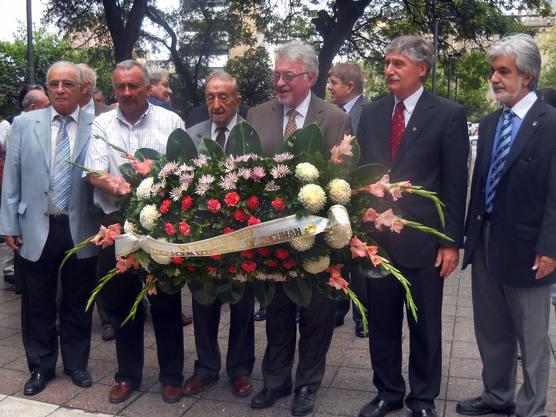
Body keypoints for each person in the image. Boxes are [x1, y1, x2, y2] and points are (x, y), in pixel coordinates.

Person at [356, 35, 469, 417]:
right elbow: (359, 174)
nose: (389, 70)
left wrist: (451, 242)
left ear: (421, 68)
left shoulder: (448, 113)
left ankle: (422, 399)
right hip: (378, 243)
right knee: (382, 323)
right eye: (387, 62)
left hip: (423, 242)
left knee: (425, 325)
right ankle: (388, 391)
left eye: (398, 64)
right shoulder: (371, 113)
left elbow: (455, 183)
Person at [247, 40, 350, 417]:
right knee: (274, 313)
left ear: (310, 76)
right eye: (276, 75)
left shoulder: (335, 118)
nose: (279, 82)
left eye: (287, 76)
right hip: (271, 238)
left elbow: (344, 178)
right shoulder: (257, 115)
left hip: (318, 242)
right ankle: (275, 382)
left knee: (317, 316)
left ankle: (307, 384)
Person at [457, 34, 556, 417]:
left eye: (503, 71)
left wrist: (550, 248)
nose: (494, 78)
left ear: (527, 76)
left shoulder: (550, 125)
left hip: (531, 251)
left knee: (532, 340)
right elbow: (479, 186)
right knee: (492, 332)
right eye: (493, 71)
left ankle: (531, 409)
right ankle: (498, 396)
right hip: (485, 246)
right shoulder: (489, 122)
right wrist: (468, 238)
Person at [84, 60, 186, 404]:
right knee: (119, 302)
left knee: (166, 302)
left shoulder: (170, 121)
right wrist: (111, 182)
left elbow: (183, 171)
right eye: (120, 87)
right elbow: (94, 172)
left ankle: (171, 376)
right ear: (114, 89)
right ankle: (127, 375)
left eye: (133, 86)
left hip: (161, 224)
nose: (126, 93)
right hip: (116, 224)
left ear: (146, 87)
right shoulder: (101, 123)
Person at [0, 61, 101, 395]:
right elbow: (11, 177)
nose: (60, 89)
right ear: (46, 87)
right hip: (34, 226)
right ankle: (40, 367)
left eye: (68, 84)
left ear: (81, 88)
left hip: (80, 225)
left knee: (78, 299)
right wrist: (9, 224)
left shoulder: (96, 125)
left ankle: (76, 364)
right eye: (54, 83)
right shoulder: (24, 124)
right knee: (37, 302)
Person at [182, 71, 255, 398]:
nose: (216, 103)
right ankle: (207, 367)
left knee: (242, 307)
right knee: (203, 304)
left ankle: (240, 369)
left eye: (223, 97)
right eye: (210, 97)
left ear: (237, 100)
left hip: (242, 240)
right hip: (203, 240)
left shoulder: (251, 135)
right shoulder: (192, 135)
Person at [327, 62, 370, 337]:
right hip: (334, 192)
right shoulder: (331, 113)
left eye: (333, 82)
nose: (329, 87)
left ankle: (362, 317)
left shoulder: (368, 112)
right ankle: (338, 310)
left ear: (349, 86)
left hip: (361, 194)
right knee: (338, 253)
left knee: (359, 256)